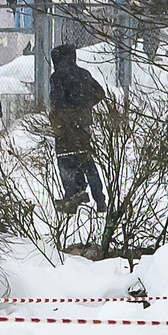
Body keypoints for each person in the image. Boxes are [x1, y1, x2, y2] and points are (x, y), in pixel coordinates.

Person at [50, 41, 109, 213]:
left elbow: (57, 101)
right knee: (86, 161)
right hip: (83, 124)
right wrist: (84, 105)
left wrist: (60, 118)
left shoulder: (57, 76)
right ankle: (99, 199)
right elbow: (100, 93)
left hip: (64, 125)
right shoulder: (84, 74)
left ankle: (73, 195)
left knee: (66, 161)